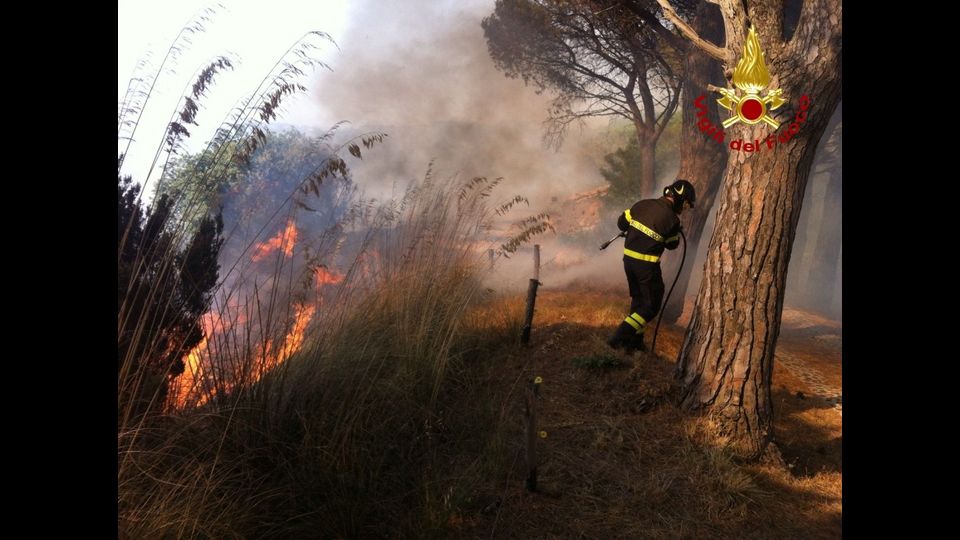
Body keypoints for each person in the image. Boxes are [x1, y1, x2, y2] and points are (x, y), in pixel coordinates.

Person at [607, 179, 696, 354]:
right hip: (646, 266)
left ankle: (635, 342)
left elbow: (621, 223)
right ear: (679, 198)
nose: (684, 209)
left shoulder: (642, 204)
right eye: (685, 204)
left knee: (639, 301)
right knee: (651, 305)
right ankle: (618, 338)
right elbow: (672, 245)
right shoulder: (672, 220)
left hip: (629, 262)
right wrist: (676, 232)